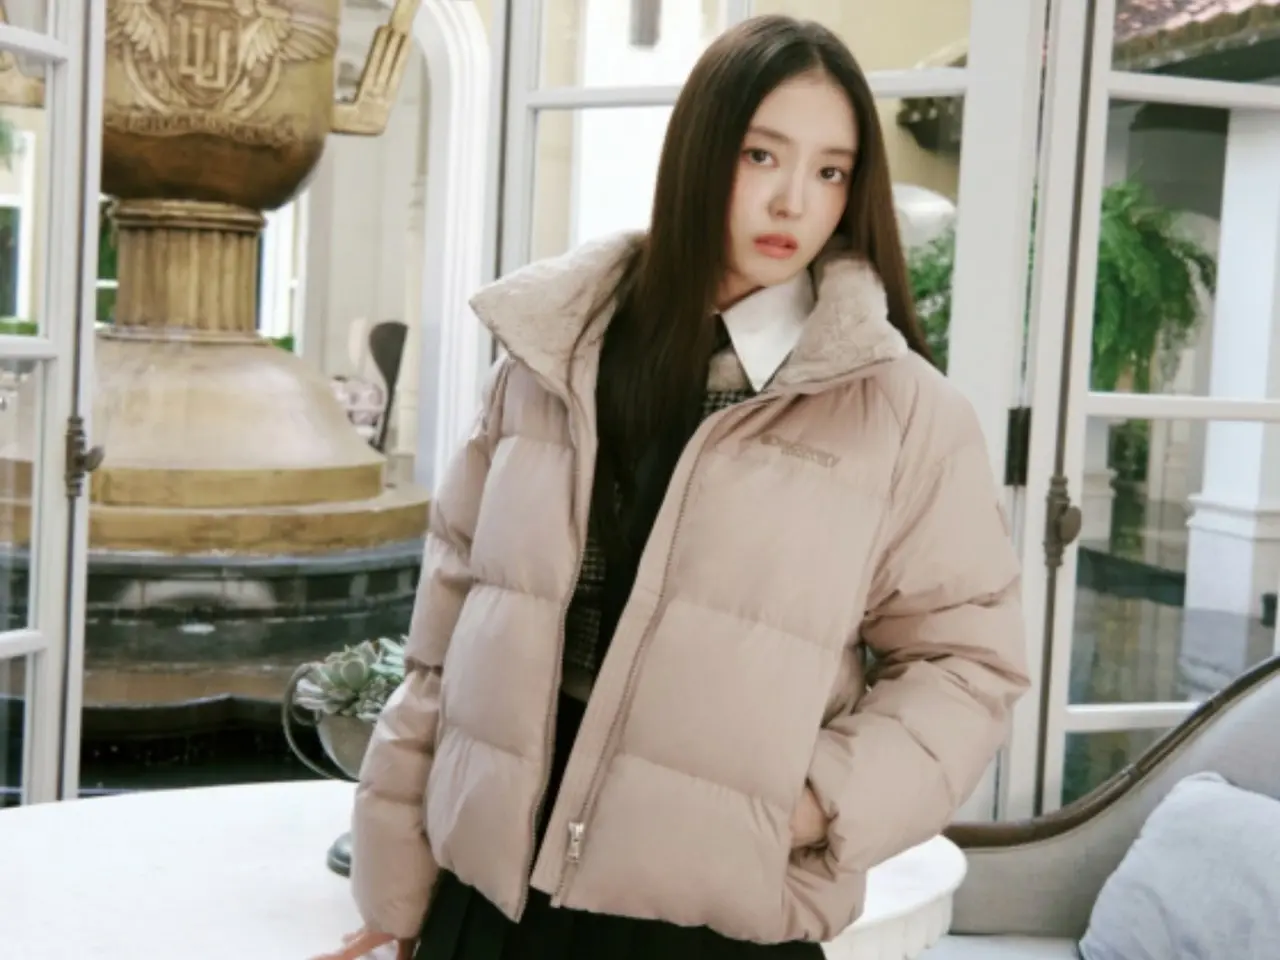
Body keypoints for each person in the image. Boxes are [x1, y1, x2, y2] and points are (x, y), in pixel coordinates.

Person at [315, 14, 1029, 960]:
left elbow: (966, 667)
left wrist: (810, 804)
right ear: (698, 154)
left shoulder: (902, 414)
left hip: (709, 921)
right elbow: (443, 645)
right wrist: (398, 891)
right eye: (760, 155)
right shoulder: (548, 360)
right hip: (493, 901)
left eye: (830, 171)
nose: (792, 201)